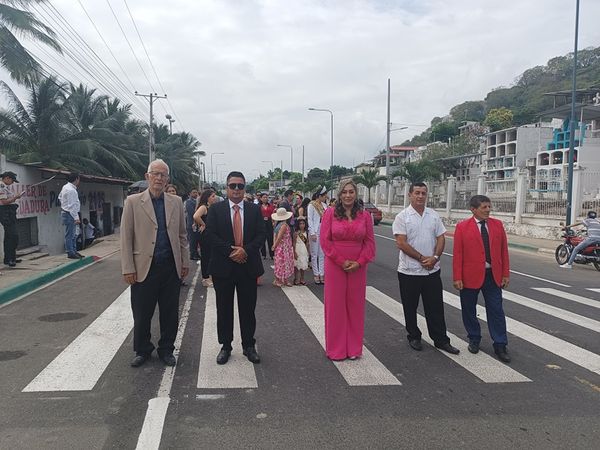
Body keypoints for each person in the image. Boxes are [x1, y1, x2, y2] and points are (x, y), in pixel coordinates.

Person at [120, 159, 190, 368]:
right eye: (155, 174)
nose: (159, 178)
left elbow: (182, 235)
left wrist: (184, 262)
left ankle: (166, 349)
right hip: (144, 267)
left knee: (170, 312)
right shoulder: (133, 202)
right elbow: (126, 238)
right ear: (147, 176)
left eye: (163, 175)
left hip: (170, 266)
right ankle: (142, 349)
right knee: (142, 313)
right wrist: (128, 268)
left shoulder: (176, 202)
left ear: (168, 179)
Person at [204, 171, 265, 365]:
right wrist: (231, 252)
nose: (236, 189)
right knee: (224, 309)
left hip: (248, 266)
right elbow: (210, 235)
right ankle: (226, 346)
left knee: (248, 309)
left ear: (244, 188)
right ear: (226, 187)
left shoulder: (254, 210)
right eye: (233, 186)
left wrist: (245, 250)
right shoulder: (216, 209)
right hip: (223, 266)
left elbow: (261, 235)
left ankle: (248, 345)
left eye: (240, 186)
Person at [392, 182, 459, 355]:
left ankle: (441, 340)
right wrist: (422, 258)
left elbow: (441, 237)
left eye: (423, 193)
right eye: (417, 193)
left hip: (432, 271)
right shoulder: (402, 217)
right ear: (410, 195)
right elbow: (401, 243)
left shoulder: (433, 215)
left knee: (435, 307)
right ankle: (414, 336)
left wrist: (435, 257)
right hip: (409, 271)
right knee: (410, 307)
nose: (420, 196)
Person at [320, 180, 376, 360]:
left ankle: (353, 349)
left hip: (358, 266)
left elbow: (370, 243)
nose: (348, 195)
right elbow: (325, 241)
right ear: (339, 194)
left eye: (351, 192)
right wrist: (341, 261)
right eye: (344, 192)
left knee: (355, 306)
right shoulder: (330, 213)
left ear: (356, 194)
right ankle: (336, 349)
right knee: (335, 306)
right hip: (335, 264)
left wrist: (360, 262)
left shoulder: (364, 215)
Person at [453, 195, 511, 363]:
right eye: (484, 207)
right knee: (469, 309)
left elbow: (503, 251)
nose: (488, 210)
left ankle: (500, 344)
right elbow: (458, 254)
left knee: (496, 310)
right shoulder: (462, 227)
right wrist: (457, 277)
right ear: (473, 209)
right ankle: (474, 337)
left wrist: (505, 274)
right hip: (469, 276)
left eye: (489, 207)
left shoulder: (497, 225)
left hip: (493, 275)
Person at [194, 189, 218, 287]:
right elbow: (196, 216)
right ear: (207, 197)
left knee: (211, 256)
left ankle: (209, 275)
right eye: (213, 196)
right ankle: (205, 278)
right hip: (205, 236)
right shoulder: (203, 207)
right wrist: (204, 224)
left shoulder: (211, 207)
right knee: (206, 256)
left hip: (210, 235)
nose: (215, 198)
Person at [0, 171, 23, 267]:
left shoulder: (5, 186)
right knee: (13, 236)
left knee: (9, 236)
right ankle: (10, 259)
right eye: (12, 180)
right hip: (6, 213)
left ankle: (10, 258)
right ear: (7, 178)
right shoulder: (1, 186)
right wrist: (15, 197)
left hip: (9, 212)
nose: (12, 183)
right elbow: (4, 202)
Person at [58, 172, 83, 259]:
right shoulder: (71, 190)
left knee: (73, 234)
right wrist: (76, 217)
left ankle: (74, 251)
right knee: (70, 235)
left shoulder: (65, 187)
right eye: (79, 179)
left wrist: (63, 204)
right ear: (76, 179)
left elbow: (59, 197)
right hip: (70, 214)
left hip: (67, 212)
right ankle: (70, 252)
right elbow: (71, 206)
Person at [307, 186, 328, 284]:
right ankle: (316, 274)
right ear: (319, 196)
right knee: (314, 254)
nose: (325, 198)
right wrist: (312, 233)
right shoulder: (311, 205)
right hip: (315, 230)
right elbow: (310, 219)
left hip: (323, 230)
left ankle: (322, 273)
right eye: (324, 196)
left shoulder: (325, 205)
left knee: (322, 254)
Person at [271, 207, 295, 287]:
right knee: (283, 263)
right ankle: (279, 280)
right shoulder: (284, 225)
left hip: (282, 247)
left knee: (280, 263)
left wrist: (274, 245)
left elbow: (276, 236)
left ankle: (282, 279)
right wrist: (274, 245)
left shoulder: (278, 225)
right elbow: (279, 237)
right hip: (283, 247)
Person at [185, 189, 201, 260]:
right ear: (190, 194)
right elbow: (191, 212)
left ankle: (196, 254)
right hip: (191, 224)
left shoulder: (197, 201)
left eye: (196, 192)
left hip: (197, 224)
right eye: (193, 192)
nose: (195, 194)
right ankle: (192, 254)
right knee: (192, 240)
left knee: (196, 240)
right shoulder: (189, 202)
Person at [293, 217, 310, 285]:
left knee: (303, 264)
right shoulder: (296, 233)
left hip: (304, 249)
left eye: (303, 223)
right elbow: (294, 243)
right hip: (298, 248)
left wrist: (308, 251)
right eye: (300, 224)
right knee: (297, 265)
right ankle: (296, 278)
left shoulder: (306, 232)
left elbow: (307, 242)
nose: (302, 225)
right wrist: (294, 252)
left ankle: (302, 279)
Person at [259, 193, 275, 260]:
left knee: (270, 239)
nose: (265, 198)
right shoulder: (258, 206)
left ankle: (272, 254)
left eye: (266, 197)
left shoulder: (271, 206)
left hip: (269, 223)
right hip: (261, 223)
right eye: (264, 197)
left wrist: (273, 222)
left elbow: (273, 214)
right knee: (262, 239)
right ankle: (263, 254)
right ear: (261, 198)